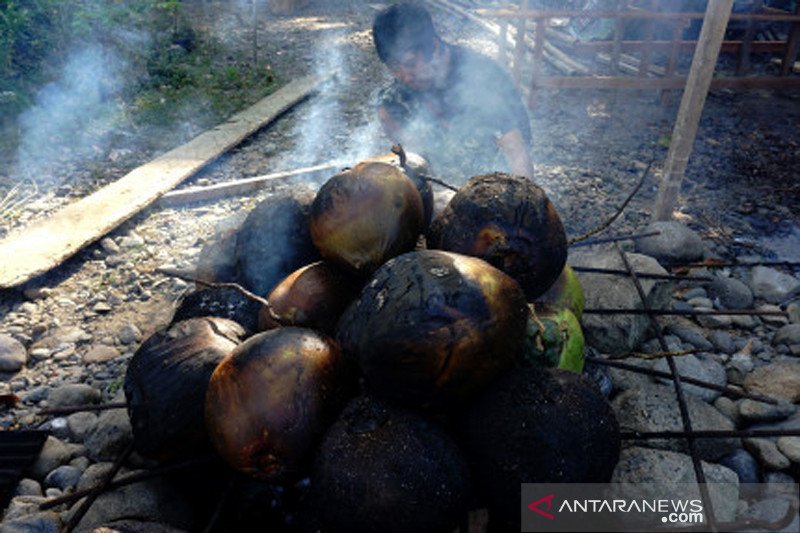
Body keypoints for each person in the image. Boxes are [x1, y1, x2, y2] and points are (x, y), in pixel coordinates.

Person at [373, 2, 534, 184]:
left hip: (490, 179)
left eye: (410, 64)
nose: (404, 77)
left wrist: (522, 202)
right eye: (394, 68)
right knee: (387, 105)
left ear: (433, 48)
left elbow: (516, 148)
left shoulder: (482, 76)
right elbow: (409, 149)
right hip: (440, 182)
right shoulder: (398, 97)